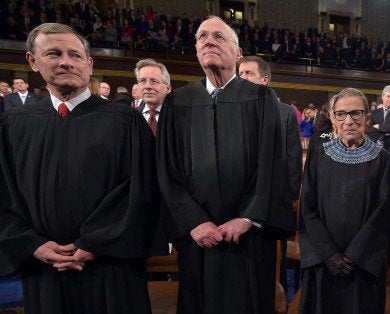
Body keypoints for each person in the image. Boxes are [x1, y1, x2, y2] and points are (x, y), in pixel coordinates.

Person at [0, 23, 158, 314]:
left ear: (89, 64)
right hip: (44, 270)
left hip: (112, 266)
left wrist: (94, 242)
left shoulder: (126, 121)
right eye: (53, 53)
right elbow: (4, 196)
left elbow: (141, 191)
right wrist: (32, 244)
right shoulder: (13, 125)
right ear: (32, 62)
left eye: (74, 55)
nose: (65, 61)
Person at [157, 16, 295, 314]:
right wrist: (194, 221)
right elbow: (167, 170)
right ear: (195, 49)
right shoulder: (177, 102)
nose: (209, 41)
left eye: (219, 36)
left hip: (248, 238)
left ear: (238, 52)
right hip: (197, 238)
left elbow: (273, 164)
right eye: (202, 36)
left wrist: (247, 217)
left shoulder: (261, 98)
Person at [299, 87, 390, 314]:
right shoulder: (318, 155)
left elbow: (384, 211)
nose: (349, 120)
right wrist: (328, 254)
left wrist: (355, 255)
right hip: (323, 262)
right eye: (341, 114)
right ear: (332, 117)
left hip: (363, 265)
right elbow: (307, 208)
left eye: (356, 113)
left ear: (368, 118)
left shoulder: (385, 160)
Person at [237, 55, 303, 290]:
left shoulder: (286, 112)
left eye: (248, 73)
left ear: (264, 80)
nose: (242, 77)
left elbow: (293, 156)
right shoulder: (230, 109)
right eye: (241, 73)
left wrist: (292, 195)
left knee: (273, 261)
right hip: (238, 200)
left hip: (275, 199)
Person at [134, 58, 175, 256]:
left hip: (172, 204)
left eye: (154, 81)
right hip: (138, 205)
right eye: (143, 81)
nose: (148, 86)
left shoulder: (181, 119)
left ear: (168, 87)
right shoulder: (127, 118)